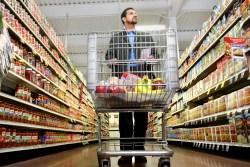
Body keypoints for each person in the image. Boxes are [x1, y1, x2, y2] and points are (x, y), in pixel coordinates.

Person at [105, 7, 158, 165]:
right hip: (124, 77)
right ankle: (126, 152)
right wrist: (111, 60)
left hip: (142, 77)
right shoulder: (116, 38)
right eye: (131, 13)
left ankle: (139, 150)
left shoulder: (145, 36)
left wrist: (152, 58)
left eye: (135, 13)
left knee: (142, 115)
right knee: (125, 116)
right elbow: (108, 56)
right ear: (123, 18)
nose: (135, 15)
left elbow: (155, 54)